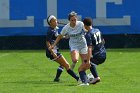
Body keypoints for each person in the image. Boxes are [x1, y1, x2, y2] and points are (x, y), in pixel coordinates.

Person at [49, 11, 90, 86]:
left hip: (83, 45)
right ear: (69, 20)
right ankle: (75, 65)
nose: (74, 21)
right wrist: (53, 45)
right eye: (72, 20)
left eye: (75, 20)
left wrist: (88, 32)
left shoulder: (81, 24)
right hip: (74, 45)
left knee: (85, 63)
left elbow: (88, 30)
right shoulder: (66, 27)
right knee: (75, 60)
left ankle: (84, 78)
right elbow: (60, 36)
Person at [46, 15, 79, 82]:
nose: (56, 21)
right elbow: (47, 43)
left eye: (56, 19)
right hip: (53, 52)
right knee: (67, 65)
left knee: (62, 64)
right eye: (54, 20)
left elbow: (57, 37)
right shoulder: (50, 31)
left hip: (54, 51)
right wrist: (53, 53)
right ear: (50, 22)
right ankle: (78, 79)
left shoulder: (54, 29)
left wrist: (65, 37)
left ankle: (56, 78)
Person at [83, 17, 106, 84]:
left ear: (85, 25)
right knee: (86, 61)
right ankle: (92, 76)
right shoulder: (97, 30)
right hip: (104, 53)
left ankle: (95, 77)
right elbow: (103, 41)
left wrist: (88, 60)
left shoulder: (88, 34)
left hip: (98, 56)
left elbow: (89, 48)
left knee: (86, 63)